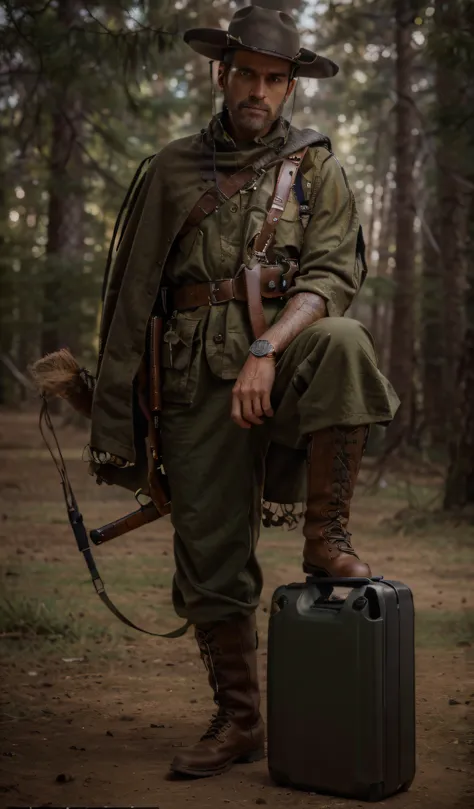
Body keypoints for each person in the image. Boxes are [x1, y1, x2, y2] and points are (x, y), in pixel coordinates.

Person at [88, 3, 400, 780]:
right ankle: (241, 718)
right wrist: (123, 421)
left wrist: (266, 345)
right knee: (210, 552)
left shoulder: (317, 167)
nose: (259, 90)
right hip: (194, 375)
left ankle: (327, 538)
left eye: (274, 78)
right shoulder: (170, 169)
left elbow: (332, 277)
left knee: (345, 340)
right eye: (247, 75)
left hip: (283, 362)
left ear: (290, 87)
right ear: (220, 73)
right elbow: (132, 298)